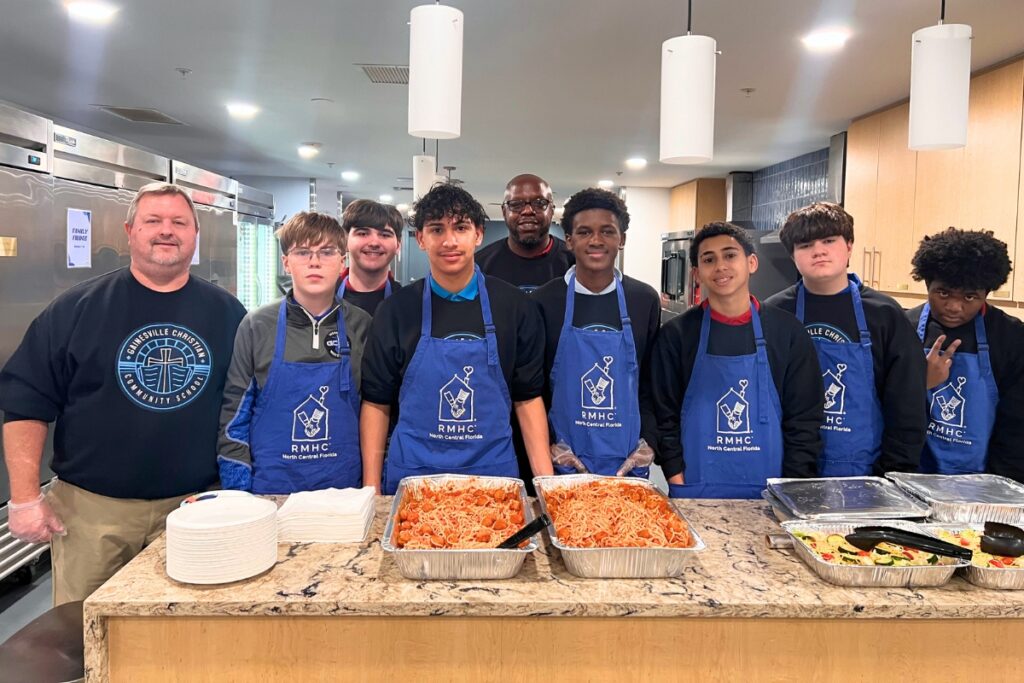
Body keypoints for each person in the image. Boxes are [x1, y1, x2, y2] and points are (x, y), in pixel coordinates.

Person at [0, 182, 246, 604]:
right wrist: (23, 499)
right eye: (154, 221)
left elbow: (246, 407)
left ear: (195, 236)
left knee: (188, 638)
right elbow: (26, 400)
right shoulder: (76, 309)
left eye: (178, 222)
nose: (166, 231)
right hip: (93, 514)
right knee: (85, 641)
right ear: (130, 231)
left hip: (196, 506)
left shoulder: (228, 314)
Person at [360, 183, 553, 494]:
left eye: (460, 228)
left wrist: (547, 487)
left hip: (493, 479)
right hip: (414, 480)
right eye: (437, 229)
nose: (449, 241)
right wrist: (370, 491)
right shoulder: (396, 310)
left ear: (477, 234)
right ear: (421, 239)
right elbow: (376, 403)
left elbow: (528, 399)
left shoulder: (514, 307)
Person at [650, 222, 823, 499]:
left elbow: (804, 418)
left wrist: (790, 487)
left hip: (772, 493)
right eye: (709, 259)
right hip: (695, 489)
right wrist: (675, 474)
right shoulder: (677, 335)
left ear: (751, 262)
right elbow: (664, 415)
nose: (720, 266)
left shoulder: (786, 331)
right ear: (697, 273)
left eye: (730, 255)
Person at [766, 202, 927, 476]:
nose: (818, 251)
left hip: (867, 474)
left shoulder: (885, 315)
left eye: (829, 240)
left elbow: (907, 404)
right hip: (787, 469)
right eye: (805, 245)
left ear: (849, 246)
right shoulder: (774, 313)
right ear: (793, 256)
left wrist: (893, 475)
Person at [217, 212, 372, 494]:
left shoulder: (362, 326)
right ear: (286, 262)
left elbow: (375, 413)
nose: (314, 261)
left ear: (342, 262)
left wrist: (369, 491)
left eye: (326, 252)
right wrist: (240, 496)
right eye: (303, 252)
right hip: (270, 491)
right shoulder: (256, 325)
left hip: (343, 493)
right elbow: (233, 420)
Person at [532, 188, 660, 477]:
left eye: (607, 231)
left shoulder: (643, 300)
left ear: (622, 239)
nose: (596, 241)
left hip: (628, 463)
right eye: (585, 232)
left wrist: (650, 442)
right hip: (562, 462)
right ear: (569, 240)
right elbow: (532, 388)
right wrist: (549, 444)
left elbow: (652, 383)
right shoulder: (544, 301)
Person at [907, 227, 1024, 479]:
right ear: (928, 284)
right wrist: (920, 381)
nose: (953, 307)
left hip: (984, 481)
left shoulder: (1011, 337)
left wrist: (997, 487)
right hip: (910, 475)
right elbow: (886, 411)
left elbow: (1016, 426)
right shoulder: (902, 327)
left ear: (986, 294)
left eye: (970, 297)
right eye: (943, 293)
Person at [475, 173, 574, 293]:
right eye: (516, 204)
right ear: (504, 211)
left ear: (552, 210)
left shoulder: (575, 265)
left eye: (539, 203)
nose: (528, 211)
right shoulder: (479, 267)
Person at [337, 199, 403, 317]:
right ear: (345, 241)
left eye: (384, 235)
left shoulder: (410, 303)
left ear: (398, 245)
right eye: (363, 233)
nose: (374, 243)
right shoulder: (322, 299)